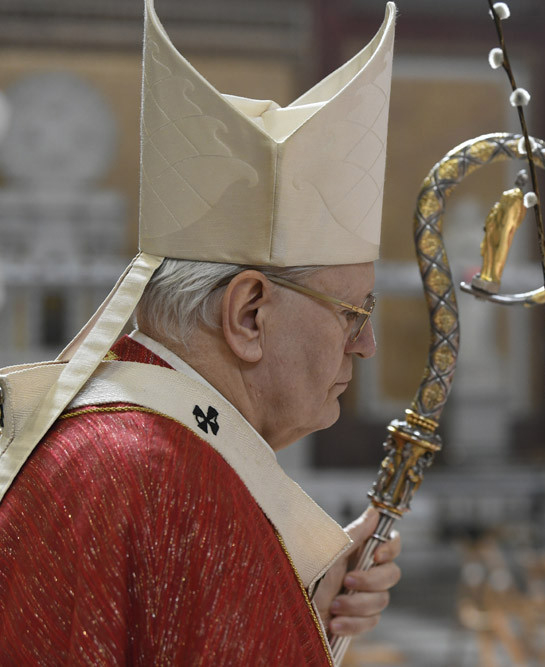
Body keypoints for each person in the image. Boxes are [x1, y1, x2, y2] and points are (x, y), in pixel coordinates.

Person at [0, 1, 401, 663]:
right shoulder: (161, 474)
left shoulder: (128, 445)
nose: (366, 345)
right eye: (352, 313)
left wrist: (304, 593)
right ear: (248, 314)